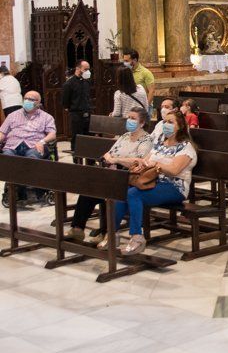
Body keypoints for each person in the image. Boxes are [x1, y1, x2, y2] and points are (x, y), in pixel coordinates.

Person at [103, 109, 197, 255]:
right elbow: (146, 160)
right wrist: (142, 164)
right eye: (165, 121)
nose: (166, 125)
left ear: (180, 126)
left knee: (134, 194)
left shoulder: (185, 147)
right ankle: (111, 234)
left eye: (170, 122)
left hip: (175, 187)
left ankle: (137, 237)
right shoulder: (160, 143)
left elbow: (174, 170)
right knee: (121, 193)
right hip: (153, 182)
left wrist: (156, 165)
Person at [68, 107, 154, 243]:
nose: (129, 121)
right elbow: (109, 153)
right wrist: (110, 158)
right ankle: (77, 229)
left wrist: (117, 160)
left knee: (110, 195)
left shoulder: (146, 140)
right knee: (89, 190)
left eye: (133, 118)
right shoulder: (125, 136)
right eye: (128, 118)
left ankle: (106, 233)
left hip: (129, 177)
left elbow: (139, 162)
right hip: (113, 173)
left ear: (142, 123)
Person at [0, 91, 57, 203]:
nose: (27, 101)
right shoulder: (13, 115)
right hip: (13, 145)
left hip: (34, 145)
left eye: (31, 99)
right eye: (26, 98)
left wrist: (42, 141)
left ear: (38, 103)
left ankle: (35, 190)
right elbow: (2, 132)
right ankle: (17, 191)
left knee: (31, 159)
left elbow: (52, 134)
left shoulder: (46, 117)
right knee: (7, 159)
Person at [61, 59, 92, 152]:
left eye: (89, 69)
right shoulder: (69, 83)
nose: (88, 72)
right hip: (76, 114)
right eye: (85, 69)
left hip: (87, 112)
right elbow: (65, 102)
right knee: (77, 136)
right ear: (78, 69)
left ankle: (90, 160)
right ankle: (77, 160)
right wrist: (72, 109)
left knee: (89, 137)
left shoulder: (87, 82)